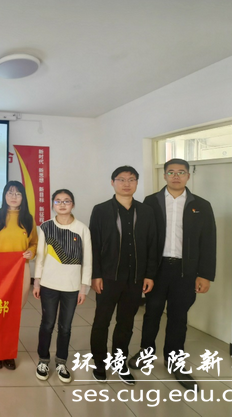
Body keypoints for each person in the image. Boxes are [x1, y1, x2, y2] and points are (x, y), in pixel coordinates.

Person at [128, 159, 216, 389]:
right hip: (156, 270)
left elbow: (208, 242)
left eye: (181, 172)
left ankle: (175, 360)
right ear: (164, 175)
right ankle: (146, 352)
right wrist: (143, 272)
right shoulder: (151, 202)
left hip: (186, 271)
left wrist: (205, 274)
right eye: (171, 172)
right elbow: (143, 239)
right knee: (152, 313)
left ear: (188, 176)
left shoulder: (201, 205)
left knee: (179, 316)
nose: (176, 176)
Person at [89, 165, 158, 385]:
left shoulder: (146, 211)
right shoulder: (101, 210)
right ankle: (100, 364)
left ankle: (120, 363)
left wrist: (149, 275)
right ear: (112, 182)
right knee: (102, 321)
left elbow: (152, 244)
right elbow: (93, 245)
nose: (126, 184)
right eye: (121, 179)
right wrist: (95, 275)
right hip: (108, 277)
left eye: (131, 179)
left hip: (135, 278)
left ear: (137, 182)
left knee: (126, 323)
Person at [33, 189, 92, 383]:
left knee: (65, 327)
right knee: (47, 324)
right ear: (53, 205)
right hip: (49, 284)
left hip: (72, 287)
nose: (62, 204)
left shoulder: (82, 229)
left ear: (73, 204)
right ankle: (43, 360)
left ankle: (61, 362)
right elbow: (40, 257)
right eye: (58, 201)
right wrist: (37, 282)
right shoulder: (45, 227)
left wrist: (84, 287)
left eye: (67, 201)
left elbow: (87, 260)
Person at [0, 180, 38, 370]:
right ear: (4, 195)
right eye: (10, 192)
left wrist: (31, 252)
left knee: (13, 314)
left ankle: (8, 352)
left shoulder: (29, 219)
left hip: (20, 272)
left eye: (18, 193)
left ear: (23, 197)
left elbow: (34, 243)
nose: (13, 197)